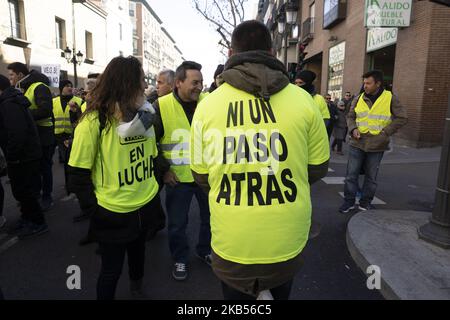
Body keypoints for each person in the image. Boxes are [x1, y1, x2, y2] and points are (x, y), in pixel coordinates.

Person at [190, 20, 329, 300]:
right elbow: (317, 168)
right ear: (272, 52)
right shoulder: (304, 102)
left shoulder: (208, 106)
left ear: (231, 54)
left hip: (232, 238)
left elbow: (201, 175)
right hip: (285, 237)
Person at [68, 56, 161, 300]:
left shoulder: (146, 116)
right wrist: (94, 210)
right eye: (141, 81)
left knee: (138, 254)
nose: (145, 86)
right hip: (112, 212)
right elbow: (77, 174)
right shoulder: (93, 122)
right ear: (126, 84)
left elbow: (152, 156)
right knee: (111, 270)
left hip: (145, 204)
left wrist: (153, 189)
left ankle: (137, 287)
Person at [152, 61, 211, 281]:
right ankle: (180, 259)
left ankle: (204, 250)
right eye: (195, 82)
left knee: (211, 219)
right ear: (178, 83)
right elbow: (150, 143)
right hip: (177, 179)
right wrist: (164, 170)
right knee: (177, 225)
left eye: (201, 82)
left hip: (206, 176)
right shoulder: (161, 105)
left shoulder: (209, 102)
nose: (199, 87)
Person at [339, 70, 407, 213]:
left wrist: (386, 132)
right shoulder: (358, 98)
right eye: (364, 83)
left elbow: (402, 118)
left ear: (378, 83)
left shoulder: (390, 98)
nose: (365, 86)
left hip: (377, 145)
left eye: (368, 83)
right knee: (351, 175)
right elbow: (350, 116)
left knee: (371, 177)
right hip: (357, 143)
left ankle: (365, 203)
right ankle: (349, 202)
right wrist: (353, 129)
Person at [0, 74, 48, 238]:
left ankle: (37, 222)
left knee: (24, 191)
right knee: (22, 191)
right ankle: (28, 218)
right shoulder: (12, 100)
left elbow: (17, 133)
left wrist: (12, 156)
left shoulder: (9, 104)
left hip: (22, 156)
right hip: (25, 154)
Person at [7, 62, 54, 211]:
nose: (10, 79)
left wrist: (23, 115)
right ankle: (35, 197)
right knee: (35, 170)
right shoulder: (23, 88)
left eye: (12, 75)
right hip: (34, 136)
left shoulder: (39, 87)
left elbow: (45, 111)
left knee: (45, 168)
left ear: (20, 75)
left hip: (44, 135)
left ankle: (47, 197)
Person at [53, 80, 83, 199]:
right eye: (66, 86)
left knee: (74, 162)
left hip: (74, 136)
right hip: (60, 136)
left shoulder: (78, 101)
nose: (69, 88)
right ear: (61, 88)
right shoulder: (53, 101)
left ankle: (75, 187)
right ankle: (69, 187)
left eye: (71, 86)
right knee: (66, 162)